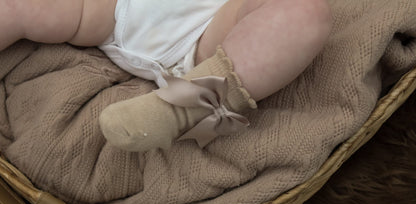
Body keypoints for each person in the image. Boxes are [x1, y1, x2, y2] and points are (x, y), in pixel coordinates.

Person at [0, 0, 332, 152]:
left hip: (207, 33)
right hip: (108, 11)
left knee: (302, 11)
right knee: (16, 6)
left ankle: (188, 106)